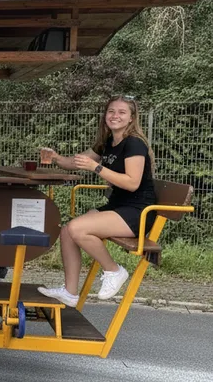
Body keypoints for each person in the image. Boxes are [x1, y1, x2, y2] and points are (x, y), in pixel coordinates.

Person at [38, 96, 156, 307]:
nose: (115, 116)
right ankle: (70, 292)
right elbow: (75, 162)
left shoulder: (134, 144)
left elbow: (132, 183)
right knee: (67, 230)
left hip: (137, 212)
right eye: (111, 111)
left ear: (131, 118)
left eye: (121, 112)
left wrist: (97, 168)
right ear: (105, 116)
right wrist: (56, 158)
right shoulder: (108, 143)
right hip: (118, 207)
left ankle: (114, 270)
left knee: (77, 228)